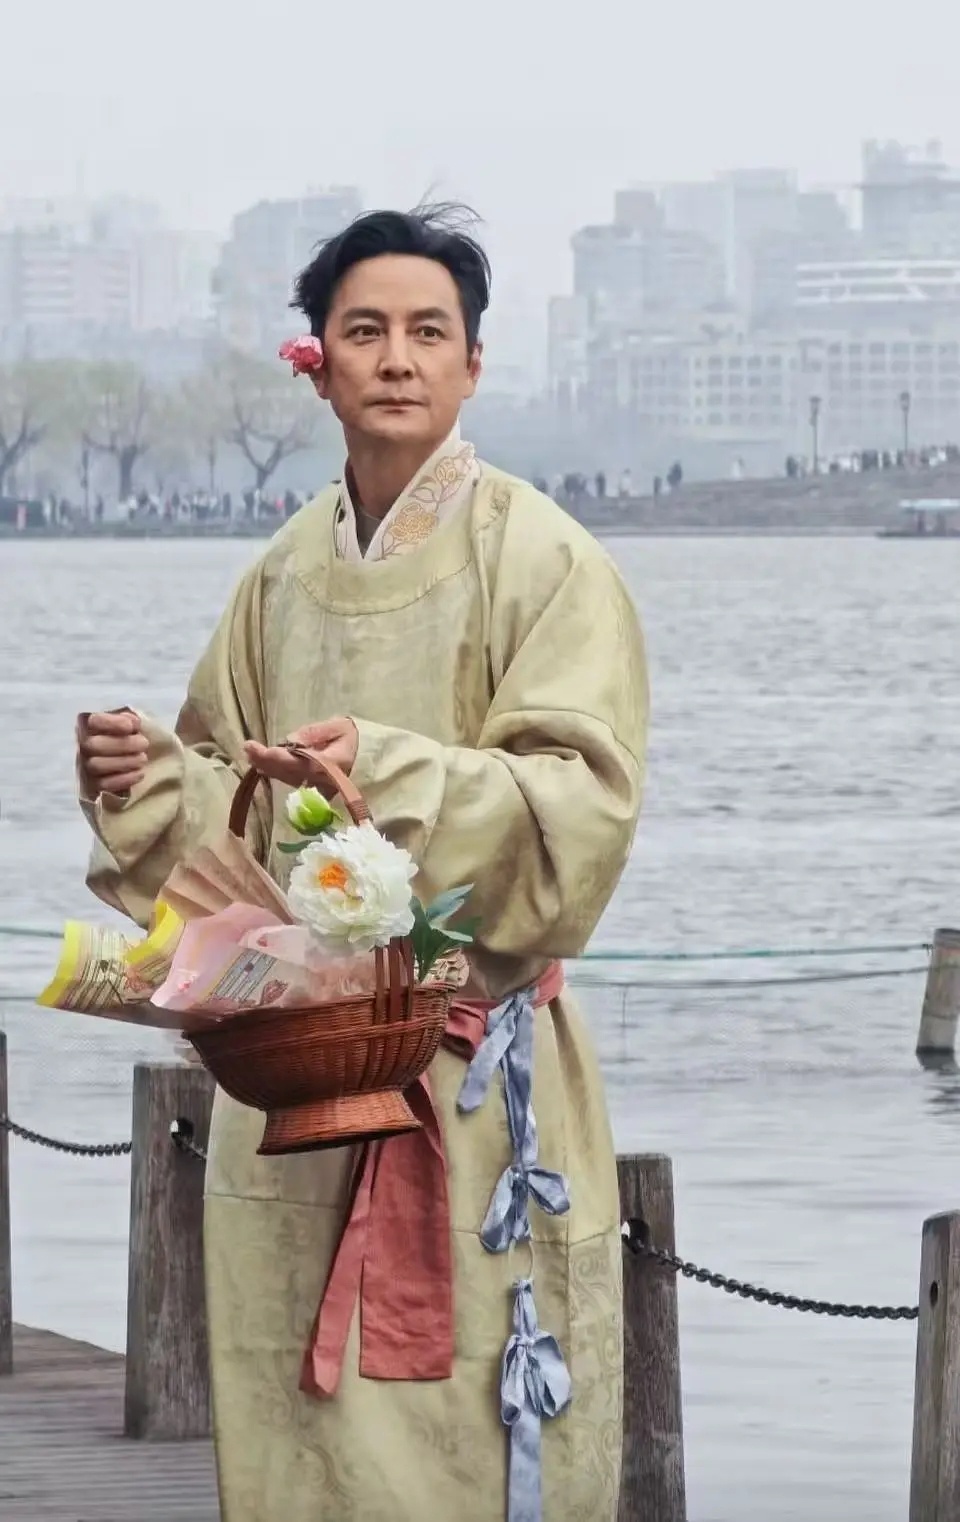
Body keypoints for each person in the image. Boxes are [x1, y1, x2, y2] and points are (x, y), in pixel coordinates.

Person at [76, 204, 648, 1522]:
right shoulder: (280, 576)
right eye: (366, 330)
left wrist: (388, 775)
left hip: (471, 1078)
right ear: (316, 363)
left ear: (473, 364)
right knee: (295, 1440)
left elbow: (583, 811)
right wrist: (148, 780)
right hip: (288, 1084)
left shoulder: (546, 559)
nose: (397, 358)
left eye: (428, 332)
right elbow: (235, 828)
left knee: (474, 1438)